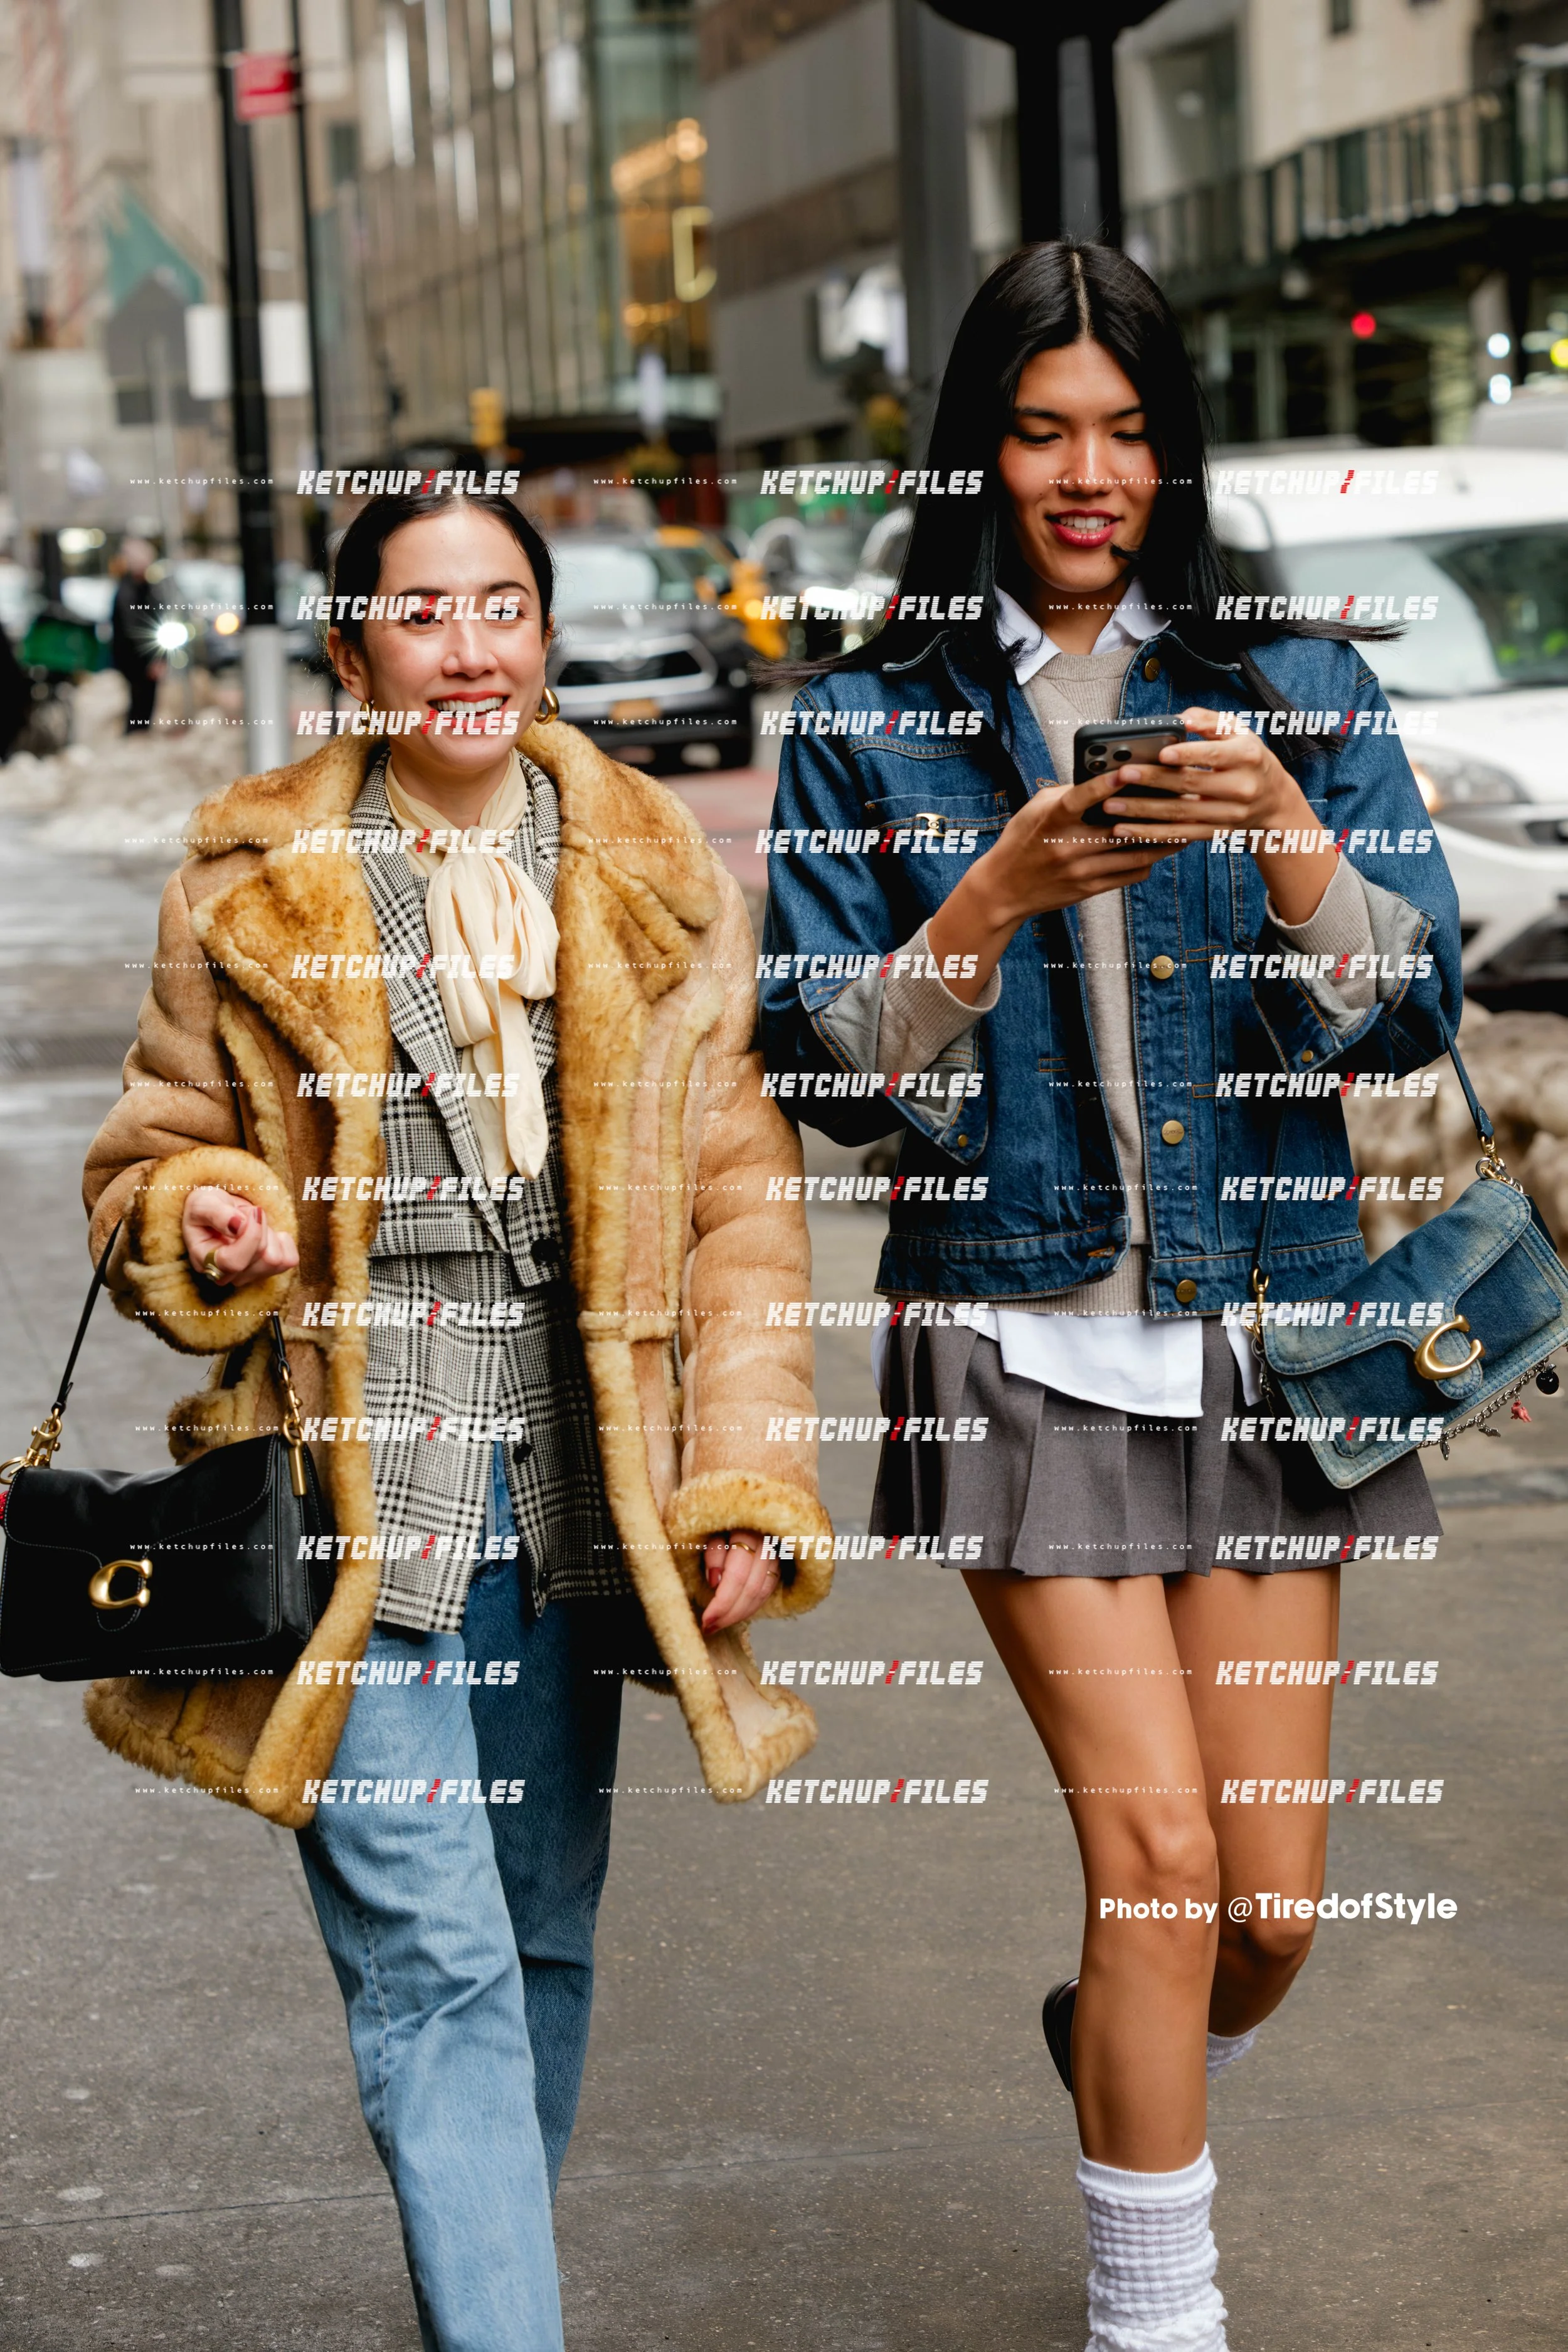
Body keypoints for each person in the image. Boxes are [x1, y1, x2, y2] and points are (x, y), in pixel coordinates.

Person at [758, 241, 1461, 2352]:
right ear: (977, 450)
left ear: (1174, 452)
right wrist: (985, 900)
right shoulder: (868, 719)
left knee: (1268, 1906)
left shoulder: (1295, 684)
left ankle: (1127, 2051)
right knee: (1156, 1862)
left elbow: (1407, 1013)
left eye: (1130, 432)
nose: (1089, 474)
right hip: (1018, 1332)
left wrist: (1292, 839)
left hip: (1272, 1337)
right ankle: (1156, 2317)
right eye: (1045, 430)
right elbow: (824, 1078)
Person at [82, 488, 834, 2352]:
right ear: (355, 650)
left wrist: (745, 1473)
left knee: (538, 1937)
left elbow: (740, 1206)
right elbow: (147, 1161)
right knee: (434, 1962)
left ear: (544, 637)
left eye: (503, 605)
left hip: (579, 1488)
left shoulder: (654, 873)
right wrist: (205, 1213)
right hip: (351, 1495)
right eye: (425, 613)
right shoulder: (248, 884)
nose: (470, 648)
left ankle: (481, 2301)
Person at [109, 534, 166, 731]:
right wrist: (152, 659)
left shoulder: (147, 588)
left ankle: (140, 734)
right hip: (135, 659)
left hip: (143, 657)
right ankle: (136, 735)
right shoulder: (128, 591)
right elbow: (133, 629)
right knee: (140, 703)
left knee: (145, 703)